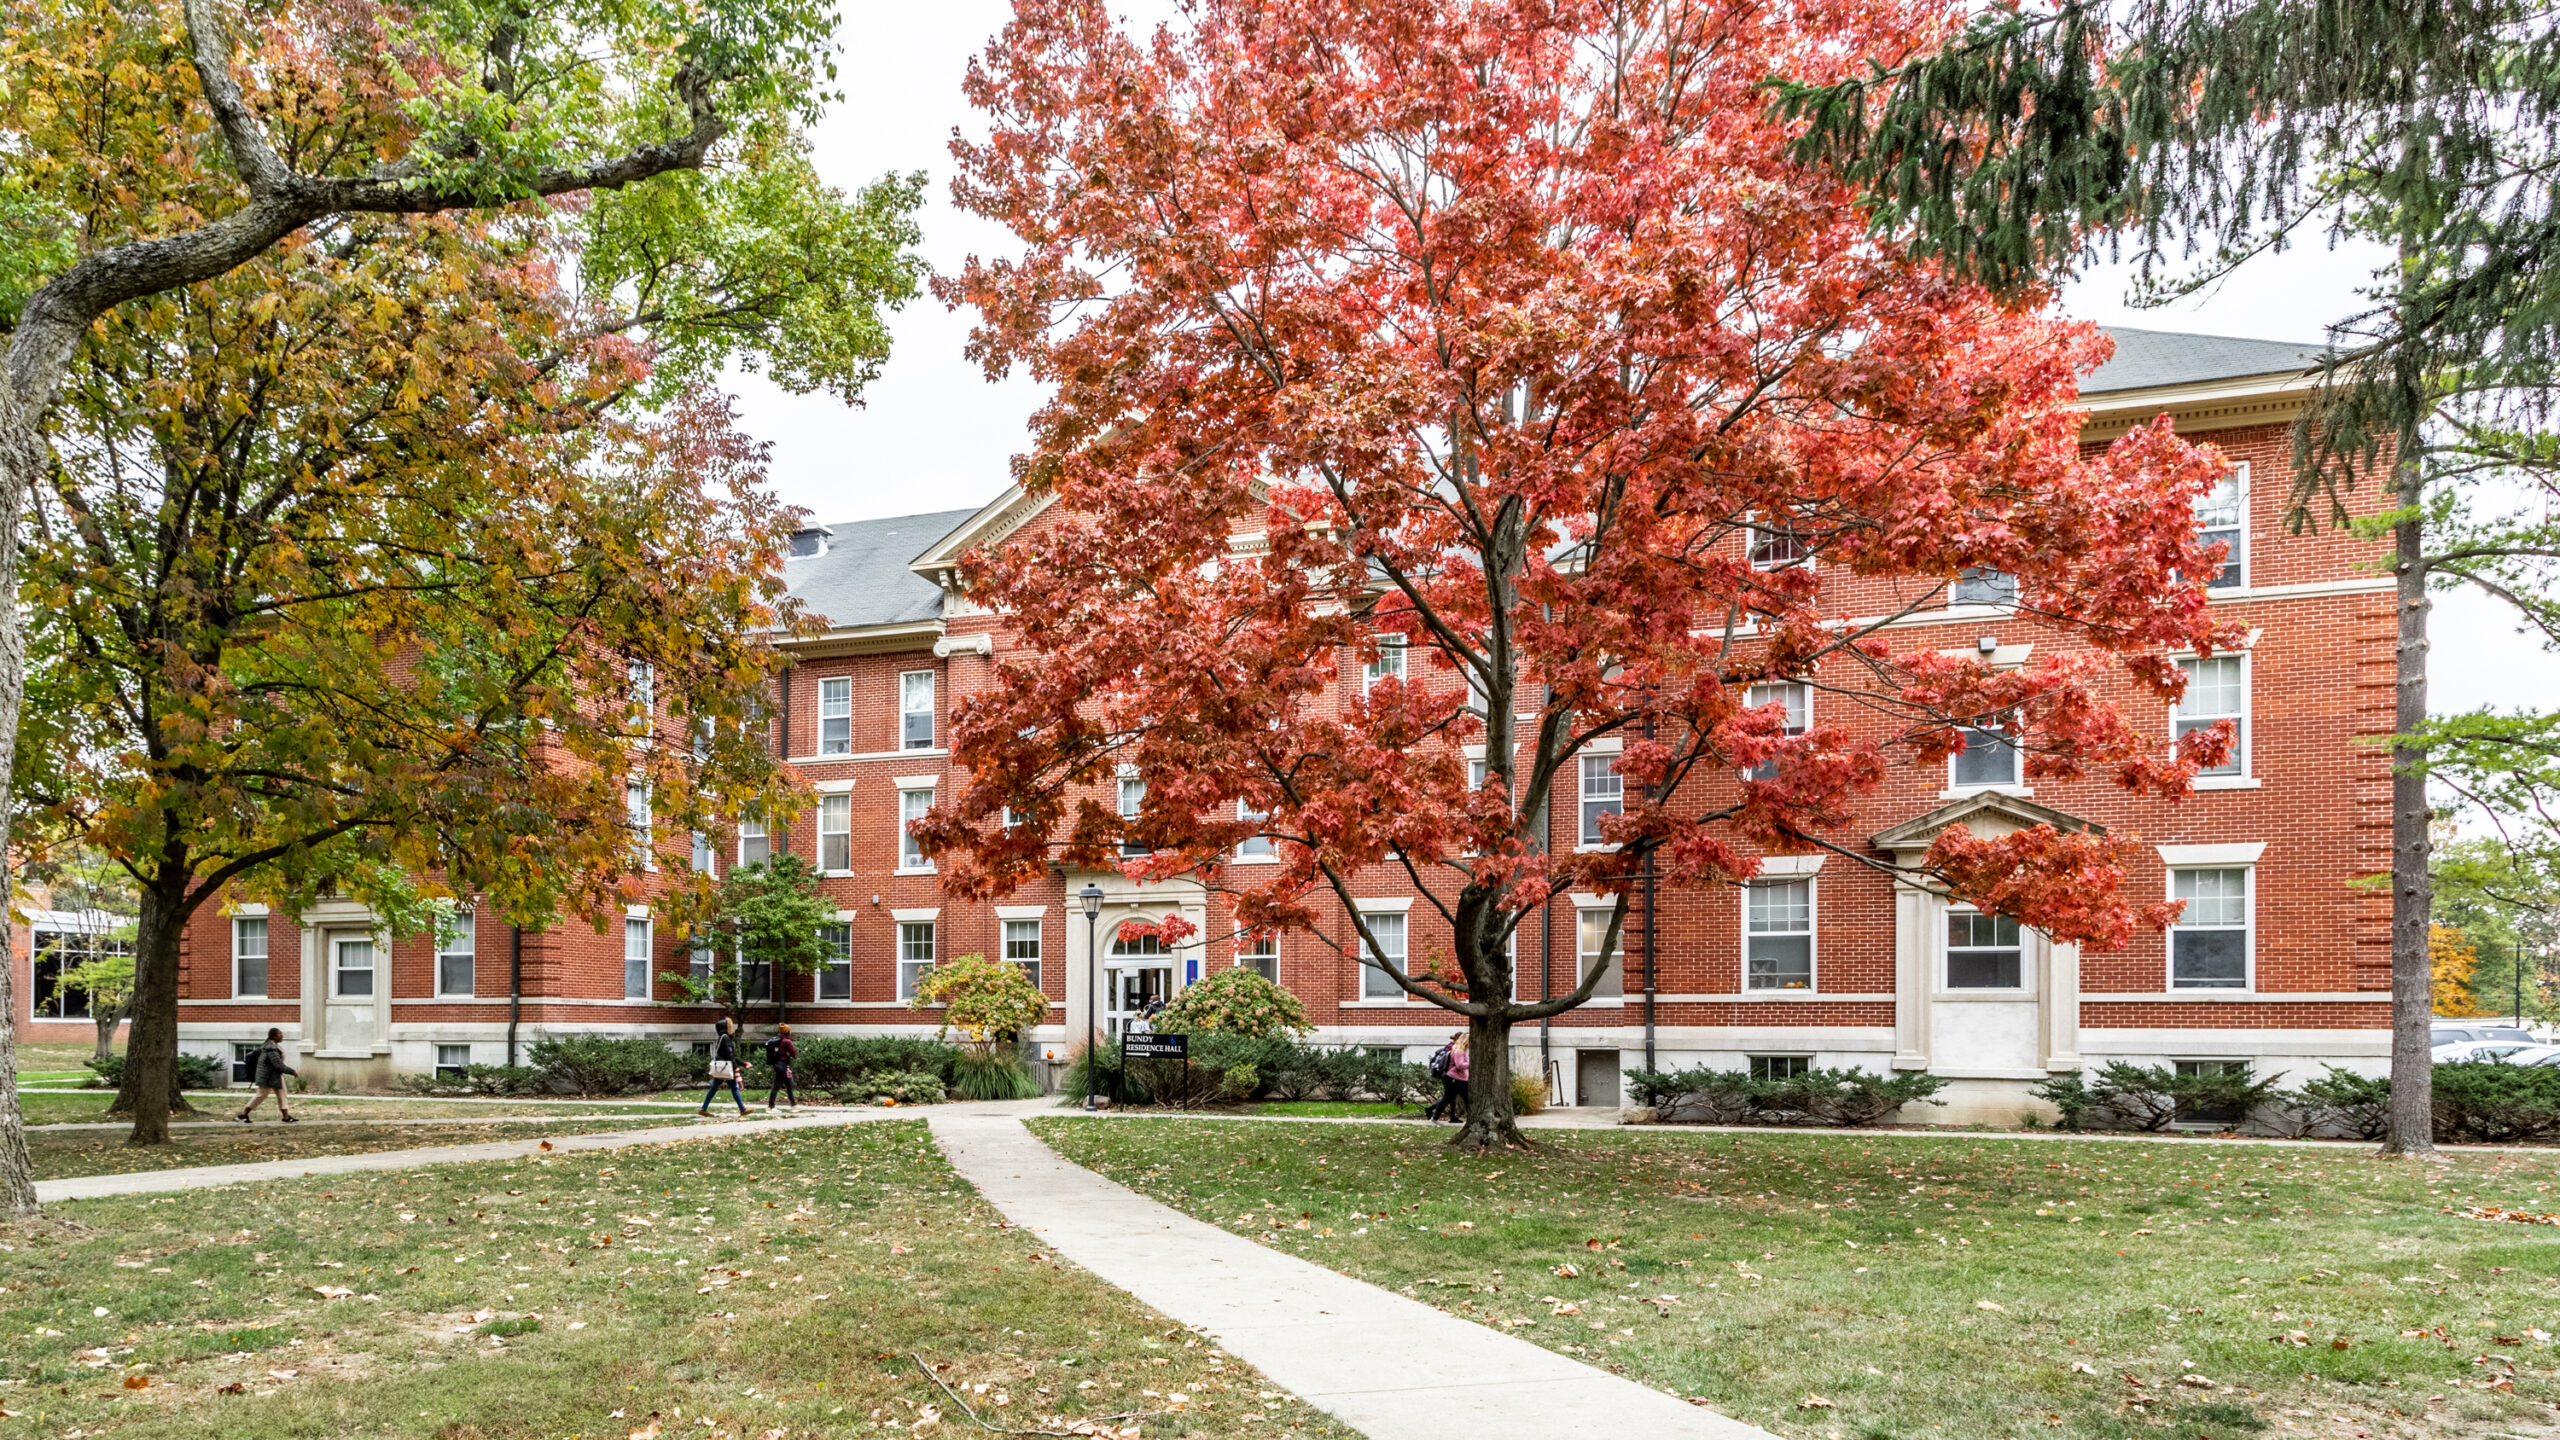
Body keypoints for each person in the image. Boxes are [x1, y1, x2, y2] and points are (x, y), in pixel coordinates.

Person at [236, 1027, 299, 1123]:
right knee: (261, 1096)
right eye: (279, 1034)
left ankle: (286, 1117)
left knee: (282, 1095)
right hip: (268, 1077)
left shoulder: (273, 1046)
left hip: (275, 1076)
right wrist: (292, 1071)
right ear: (274, 1036)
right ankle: (243, 1115)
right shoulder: (271, 1048)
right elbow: (278, 1065)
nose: (282, 1036)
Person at [699, 1018, 749, 1117]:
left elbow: (730, 1055)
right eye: (729, 1026)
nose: (731, 1028)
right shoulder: (725, 1038)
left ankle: (703, 1109)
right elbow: (729, 1055)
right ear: (725, 1027)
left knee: (714, 1088)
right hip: (726, 1068)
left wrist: (743, 1063)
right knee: (734, 1087)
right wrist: (736, 1067)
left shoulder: (722, 1038)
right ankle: (742, 1109)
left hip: (721, 1068)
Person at [1424, 1032, 1466, 1122]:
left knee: (1450, 1097)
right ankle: (1441, 1115)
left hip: (1452, 1075)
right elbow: (1458, 1064)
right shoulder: (1454, 1048)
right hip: (1450, 1075)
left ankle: (1450, 1116)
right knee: (1449, 1097)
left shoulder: (1451, 1046)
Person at [763, 1023, 799, 1111]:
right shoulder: (787, 1041)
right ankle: (771, 1106)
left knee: (789, 1085)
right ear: (788, 1032)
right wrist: (789, 1053)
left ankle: (793, 1105)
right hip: (782, 1066)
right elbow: (794, 1054)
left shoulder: (778, 1040)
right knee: (777, 1086)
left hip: (780, 1065)